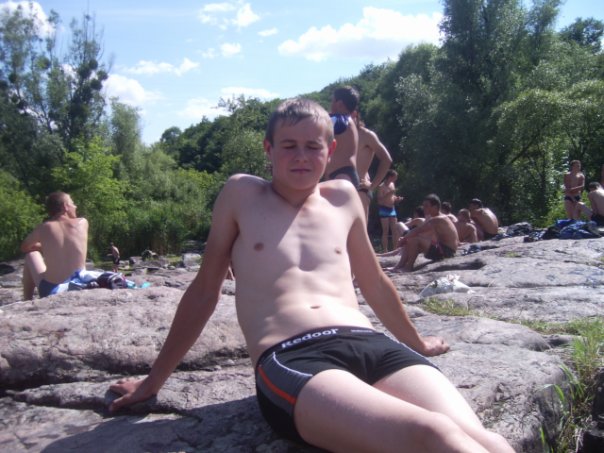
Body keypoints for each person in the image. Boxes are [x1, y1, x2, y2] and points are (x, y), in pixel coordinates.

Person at [108, 99, 512, 453]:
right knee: (433, 434)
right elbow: (204, 291)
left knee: (486, 439)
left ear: (330, 150)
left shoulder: (344, 197)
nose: (301, 156)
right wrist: (152, 383)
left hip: (369, 343)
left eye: (312, 146)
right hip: (293, 356)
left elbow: (374, 282)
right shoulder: (242, 195)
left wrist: (416, 342)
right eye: (288, 146)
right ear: (268, 149)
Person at [21, 192, 89, 300]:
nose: (75, 206)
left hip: (52, 291)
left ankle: (27, 300)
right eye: (72, 203)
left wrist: (46, 247)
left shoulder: (43, 228)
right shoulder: (82, 222)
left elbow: (25, 247)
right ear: (65, 206)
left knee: (31, 255)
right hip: (78, 285)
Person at [392, 194, 459, 272]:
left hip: (447, 252)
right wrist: (405, 238)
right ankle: (399, 266)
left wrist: (403, 239)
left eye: (426, 206)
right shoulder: (439, 217)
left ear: (435, 207)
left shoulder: (437, 219)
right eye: (423, 205)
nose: (424, 208)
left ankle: (408, 267)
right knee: (410, 238)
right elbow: (423, 233)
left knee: (414, 239)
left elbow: (418, 230)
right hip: (444, 249)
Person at [355, 115, 393, 219]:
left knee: (358, 229)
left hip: (359, 189)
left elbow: (386, 159)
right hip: (336, 189)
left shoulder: (365, 135)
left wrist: (372, 186)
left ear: (354, 114)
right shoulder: (337, 134)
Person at [324, 86, 360, 188]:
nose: (330, 105)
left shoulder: (340, 120)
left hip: (342, 175)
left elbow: (316, 122)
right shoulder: (350, 123)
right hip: (345, 174)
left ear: (339, 104)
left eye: (332, 101)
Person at [377, 169, 403, 252]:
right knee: (385, 230)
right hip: (384, 208)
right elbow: (379, 201)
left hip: (392, 208)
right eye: (395, 177)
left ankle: (395, 249)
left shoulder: (392, 184)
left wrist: (397, 198)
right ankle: (385, 250)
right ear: (390, 177)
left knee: (395, 230)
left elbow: (392, 196)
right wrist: (388, 194)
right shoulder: (381, 186)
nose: (396, 179)